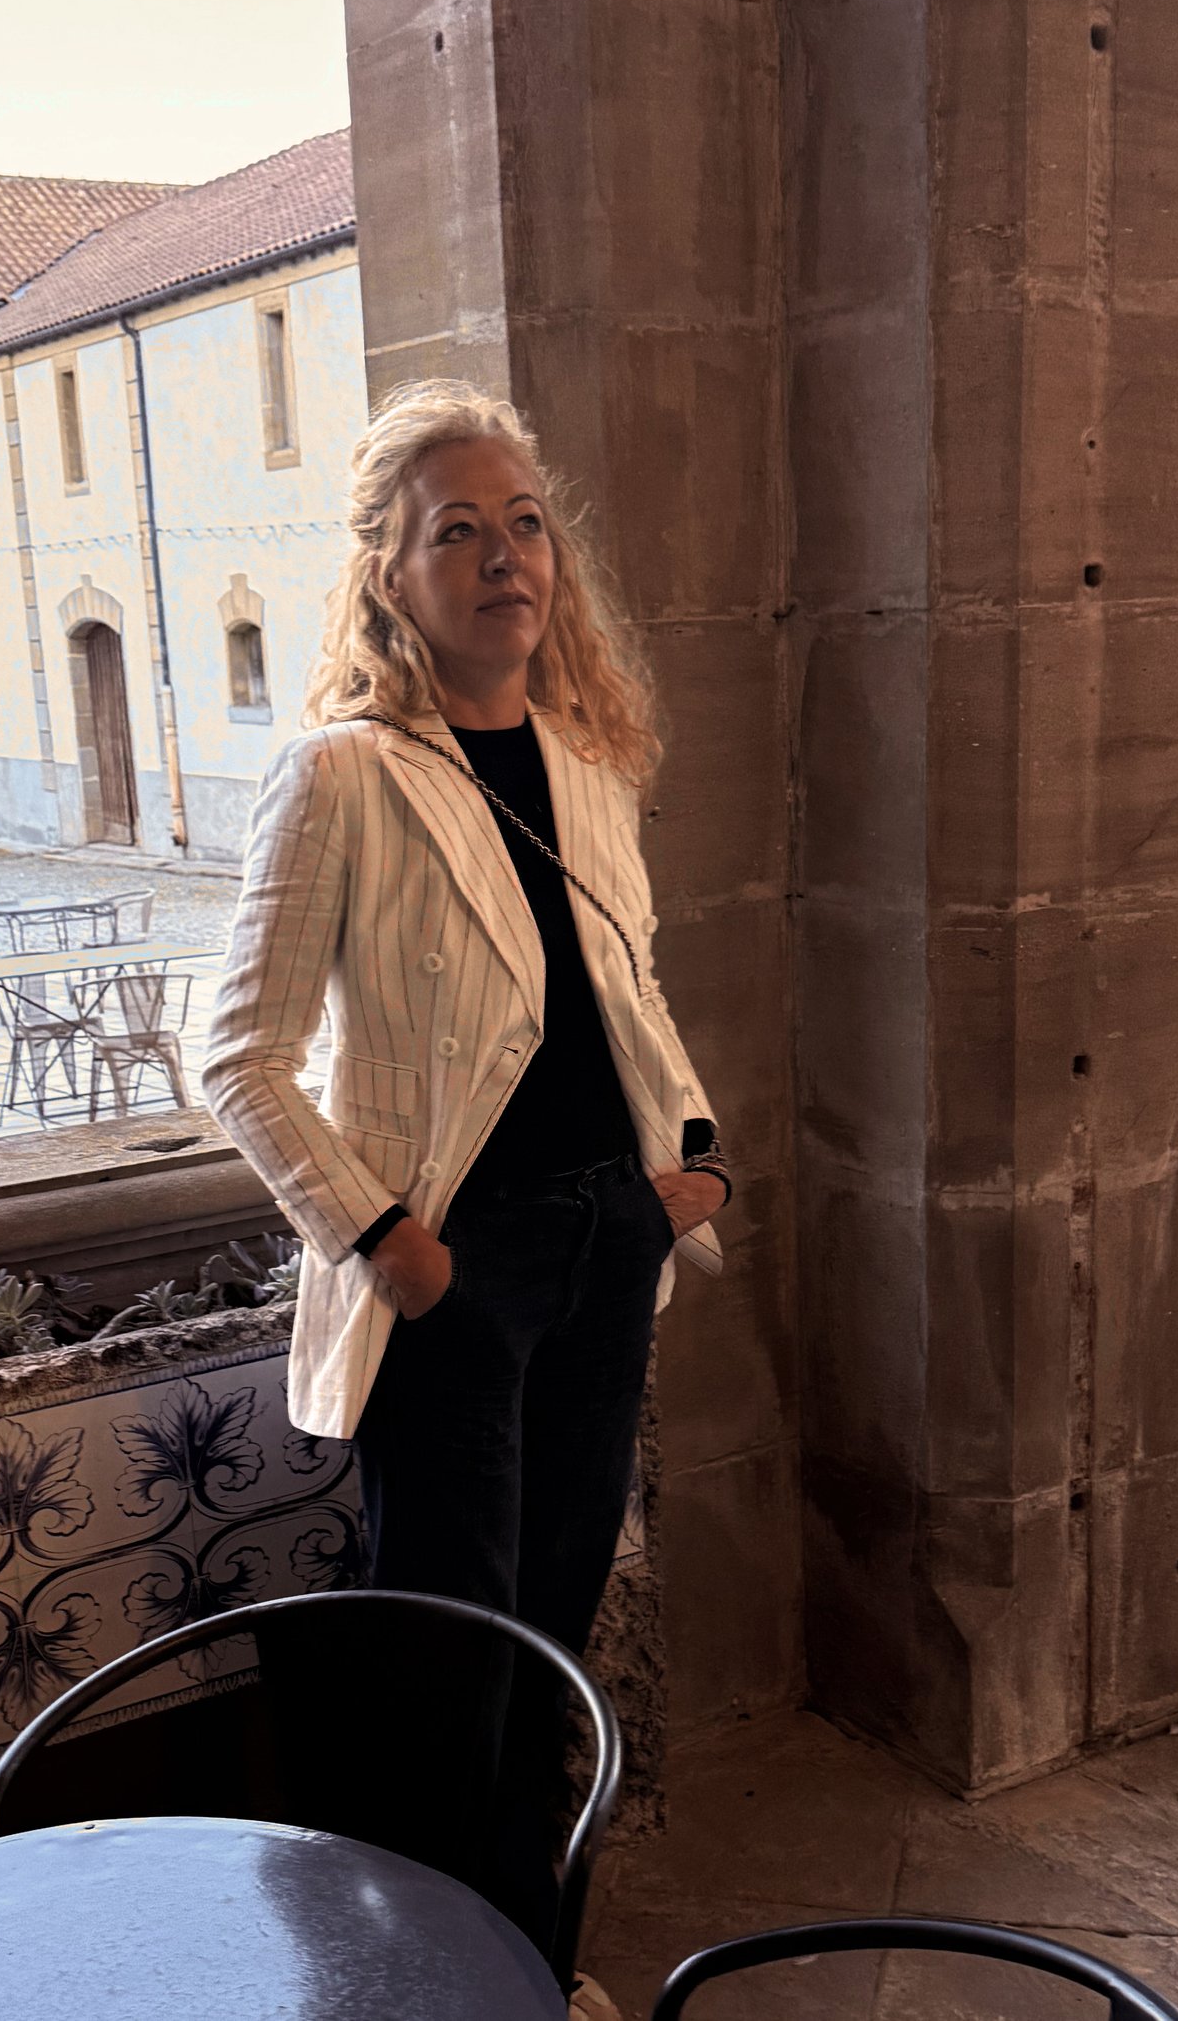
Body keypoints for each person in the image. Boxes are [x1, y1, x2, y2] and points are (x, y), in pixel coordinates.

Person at [202, 378, 728, 1962]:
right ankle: (433, 1971)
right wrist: (387, 1240)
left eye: (527, 524)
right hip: (451, 1266)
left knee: (555, 1622)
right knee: (448, 1645)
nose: (507, 559)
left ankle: (531, 1959)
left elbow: (628, 993)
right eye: (458, 532)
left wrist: (693, 1166)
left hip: (604, 1242)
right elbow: (237, 1056)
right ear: (389, 569)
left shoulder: (585, 760)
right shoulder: (344, 774)